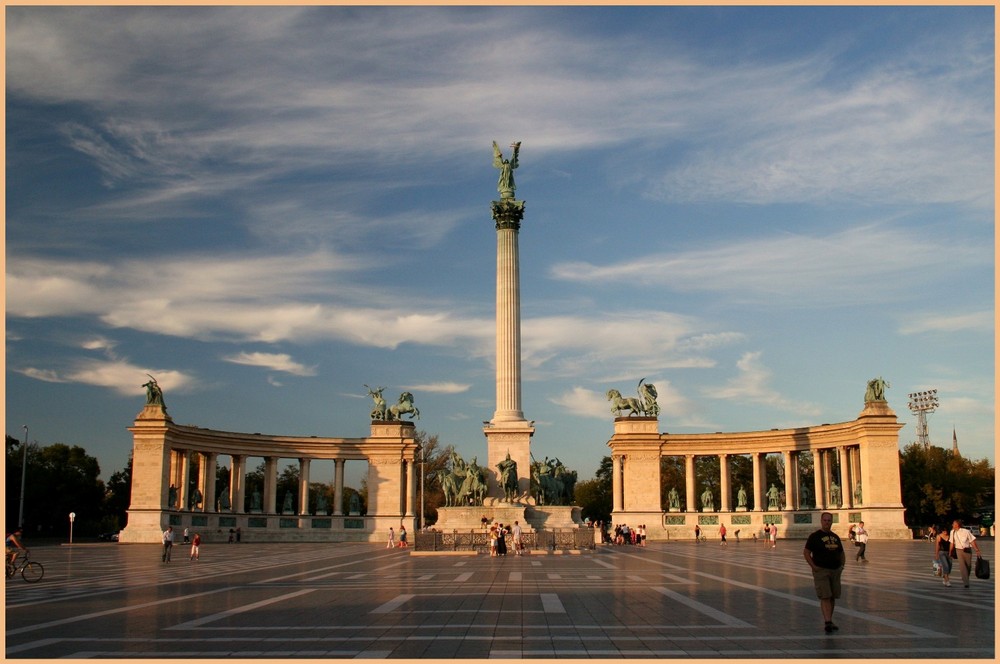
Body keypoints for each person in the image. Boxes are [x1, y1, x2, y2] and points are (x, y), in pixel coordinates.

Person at [803, 512, 845, 634]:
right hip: (821, 570)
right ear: (821, 521)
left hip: (835, 570)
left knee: (832, 596)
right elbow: (806, 552)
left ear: (832, 522)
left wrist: (842, 566)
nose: (827, 522)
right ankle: (827, 622)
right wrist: (814, 567)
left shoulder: (835, 537)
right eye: (825, 520)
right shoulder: (814, 536)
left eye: (829, 520)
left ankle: (830, 620)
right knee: (825, 596)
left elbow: (841, 552)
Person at [948, 519, 982, 588]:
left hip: (967, 550)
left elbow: (972, 541)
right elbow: (952, 542)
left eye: (953, 523)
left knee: (968, 566)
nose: (952, 525)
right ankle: (966, 582)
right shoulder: (952, 532)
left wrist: (977, 550)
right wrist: (950, 552)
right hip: (958, 550)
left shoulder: (966, 531)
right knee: (962, 566)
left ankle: (966, 577)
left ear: (957, 524)